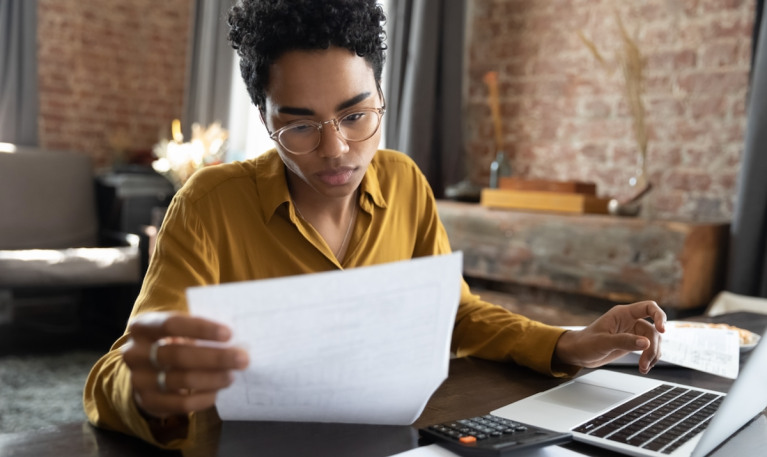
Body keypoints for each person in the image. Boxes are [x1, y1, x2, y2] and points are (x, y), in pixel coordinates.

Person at [84, 0, 665, 449]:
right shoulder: (209, 204)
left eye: (356, 114)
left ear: (383, 97)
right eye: (300, 126)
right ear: (264, 122)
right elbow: (117, 370)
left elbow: (456, 314)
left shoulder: (406, 183)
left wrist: (568, 344)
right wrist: (149, 392)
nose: (336, 150)